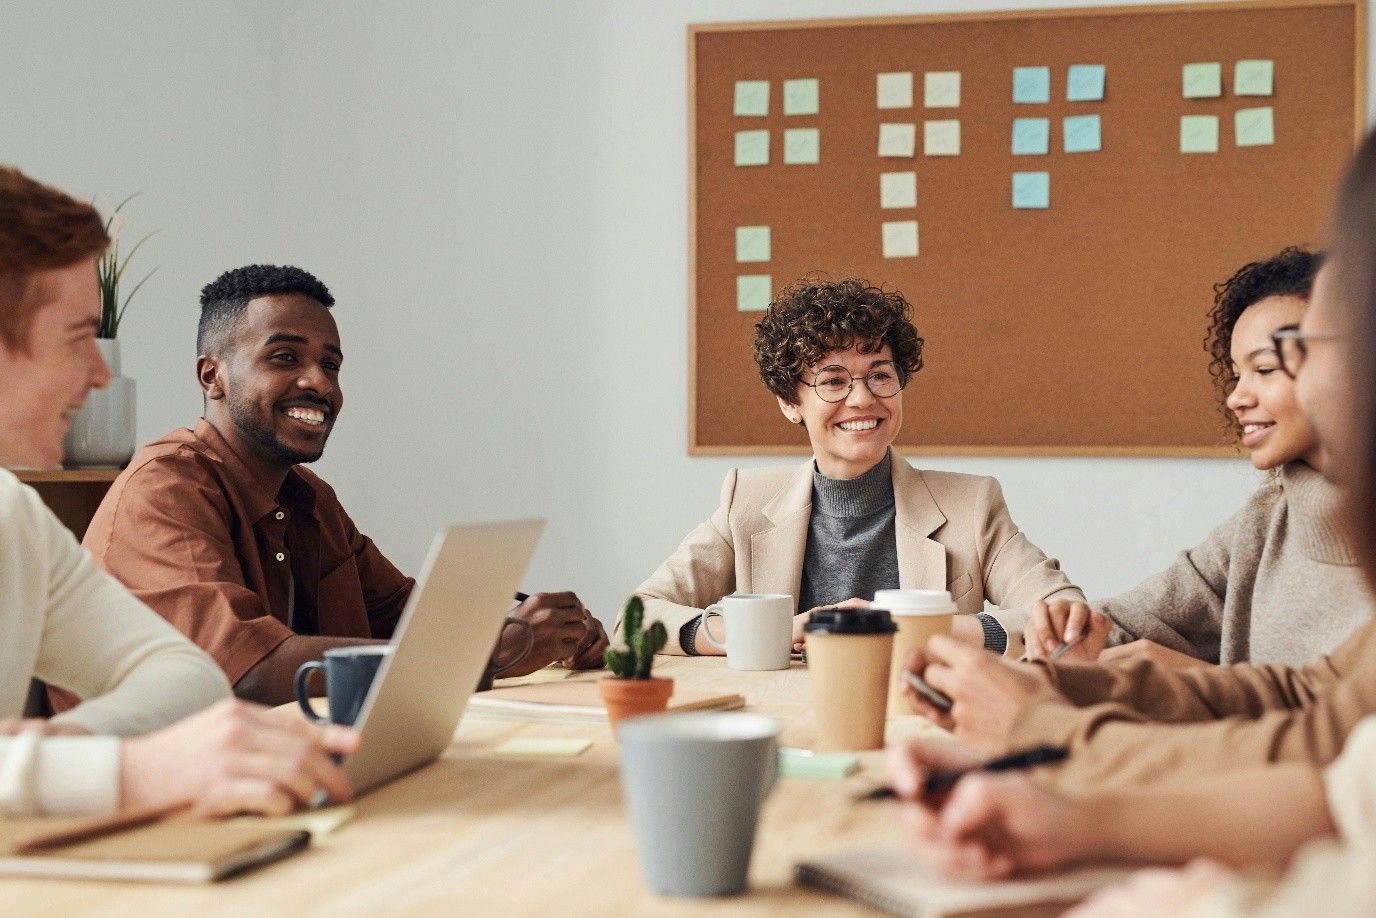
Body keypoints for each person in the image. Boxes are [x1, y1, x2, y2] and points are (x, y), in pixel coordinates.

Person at [888, 128, 1376, 916]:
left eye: (1300, 354)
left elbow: (1321, 750)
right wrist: (1054, 693)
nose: (1254, 391)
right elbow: (1316, 700)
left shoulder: (973, 497)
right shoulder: (1269, 514)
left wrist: (1043, 726)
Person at [62, 264, 608, 708]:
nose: (319, 382)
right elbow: (249, 670)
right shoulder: (165, 488)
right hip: (157, 802)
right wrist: (487, 651)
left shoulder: (309, 497)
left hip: (288, 767)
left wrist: (542, 628)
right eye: (284, 357)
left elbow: (406, 616)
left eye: (331, 363)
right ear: (213, 377)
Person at [0, 164, 355, 816]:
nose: (102, 375)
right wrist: (121, 772)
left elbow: (190, 679)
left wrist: (57, 755)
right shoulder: (166, 482)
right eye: (81, 337)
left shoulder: (14, 516)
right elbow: (234, 675)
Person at [636, 277, 1083, 657]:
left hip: (920, 717)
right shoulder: (747, 501)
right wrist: (773, 632)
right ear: (791, 403)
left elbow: (1065, 614)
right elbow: (639, 615)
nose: (863, 398)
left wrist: (911, 628)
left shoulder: (971, 503)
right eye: (833, 381)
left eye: (880, 375)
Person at [1024, 248, 1371, 669]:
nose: (1236, 397)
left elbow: (1339, 719)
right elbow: (1125, 623)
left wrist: (1188, 677)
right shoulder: (1263, 524)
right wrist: (1073, 631)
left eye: (1263, 370)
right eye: (1236, 374)